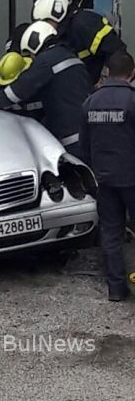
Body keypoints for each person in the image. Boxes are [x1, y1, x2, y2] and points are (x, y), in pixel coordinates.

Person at [79, 51, 135, 301]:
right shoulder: (132, 101)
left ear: (107, 73)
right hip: (132, 178)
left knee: (111, 233)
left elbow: (84, 146)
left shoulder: (91, 102)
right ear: (132, 74)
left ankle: (116, 289)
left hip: (104, 179)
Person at [0, 21, 92, 157]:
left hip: (70, 140)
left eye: (32, 54)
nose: (32, 58)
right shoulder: (70, 57)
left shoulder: (46, 61)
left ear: (35, 43)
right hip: (88, 134)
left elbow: (15, 93)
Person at [60, 9, 126, 86]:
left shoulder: (83, 23)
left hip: (99, 82)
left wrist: (107, 83)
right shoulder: (60, 35)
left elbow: (115, 50)